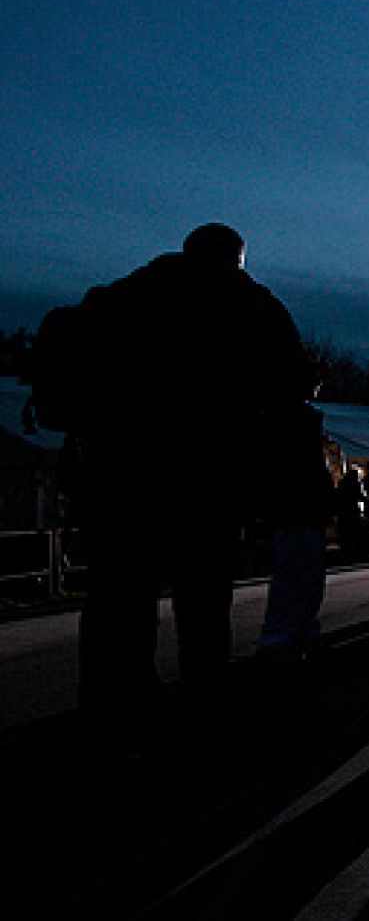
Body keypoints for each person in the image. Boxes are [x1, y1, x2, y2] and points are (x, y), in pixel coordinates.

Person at [68, 223, 304, 770]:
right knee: (202, 607)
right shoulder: (253, 304)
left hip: (122, 474)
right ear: (237, 258)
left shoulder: (123, 294)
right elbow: (289, 385)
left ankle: (103, 729)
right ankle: (201, 735)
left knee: (116, 603)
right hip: (207, 480)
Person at [256, 352, 336, 661]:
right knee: (298, 573)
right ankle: (282, 635)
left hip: (297, 506)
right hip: (296, 505)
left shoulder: (286, 418)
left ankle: (294, 631)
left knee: (304, 573)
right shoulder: (288, 420)